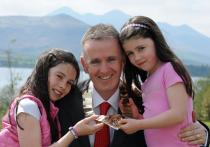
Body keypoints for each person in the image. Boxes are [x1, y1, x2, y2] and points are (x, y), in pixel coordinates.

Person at [58, 24, 209, 147]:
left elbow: (181, 118)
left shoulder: (141, 100)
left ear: (123, 61)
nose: (104, 69)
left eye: (111, 59)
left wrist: (205, 134)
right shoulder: (63, 101)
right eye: (95, 61)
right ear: (84, 64)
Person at [118, 16, 209, 147]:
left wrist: (139, 125)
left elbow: (177, 114)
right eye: (130, 53)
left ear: (155, 42)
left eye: (141, 48)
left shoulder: (170, 69)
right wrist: (138, 118)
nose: (136, 57)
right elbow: (157, 121)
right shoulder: (147, 82)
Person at [0, 48, 103, 147]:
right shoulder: (29, 107)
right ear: (44, 71)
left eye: (69, 83)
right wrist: (74, 132)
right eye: (59, 76)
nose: (63, 86)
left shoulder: (48, 106)